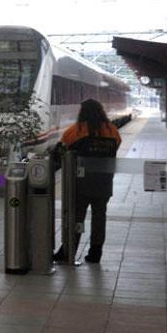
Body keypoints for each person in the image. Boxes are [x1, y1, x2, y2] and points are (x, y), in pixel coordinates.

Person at [53, 98, 121, 264]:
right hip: (104, 181)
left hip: (81, 182)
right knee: (99, 217)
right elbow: (116, 146)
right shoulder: (112, 130)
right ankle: (95, 252)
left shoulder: (76, 131)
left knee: (77, 217)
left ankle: (68, 250)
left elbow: (61, 149)